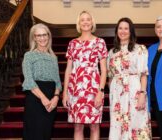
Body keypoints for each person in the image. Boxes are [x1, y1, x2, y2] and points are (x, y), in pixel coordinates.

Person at [62, 10, 108, 140]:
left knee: (94, 126)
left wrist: (101, 91)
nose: (86, 22)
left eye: (88, 19)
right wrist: (65, 92)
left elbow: (104, 70)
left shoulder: (100, 42)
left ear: (92, 22)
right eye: (82, 20)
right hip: (75, 89)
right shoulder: (72, 43)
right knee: (78, 126)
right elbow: (68, 69)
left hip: (94, 89)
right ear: (79, 23)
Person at [107, 17, 152, 140]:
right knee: (118, 126)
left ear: (131, 31)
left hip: (135, 92)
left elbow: (143, 74)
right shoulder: (111, 52)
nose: (123, 31)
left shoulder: (140, 49)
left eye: (126, 28)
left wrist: (142, 93)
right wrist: (113, 92)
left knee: (137, 125)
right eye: (120, 28)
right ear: (116, 31)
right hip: (117, 94)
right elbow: (110, 77)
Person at [22, 23, 62, 140]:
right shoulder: (29, 55)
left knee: (46, 134)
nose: (42, 38)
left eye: (44, 35)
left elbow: (58, 82)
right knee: (34, 134)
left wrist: (56, 97)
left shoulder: (53, 57)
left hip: (51, 99)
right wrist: (43, 98)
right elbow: (29, 80)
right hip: (35, 98)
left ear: (49, 36)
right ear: (34, 38)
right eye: (38, 35)